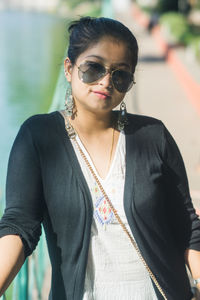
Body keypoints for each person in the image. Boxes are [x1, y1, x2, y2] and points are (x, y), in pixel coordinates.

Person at [0, 16, 200, 300]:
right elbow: (19, 226)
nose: (106, 81)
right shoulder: (38, 136)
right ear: (69, 69)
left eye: (120, 74)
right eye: (93, 68)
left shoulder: (153, 136)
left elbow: (187, 224)